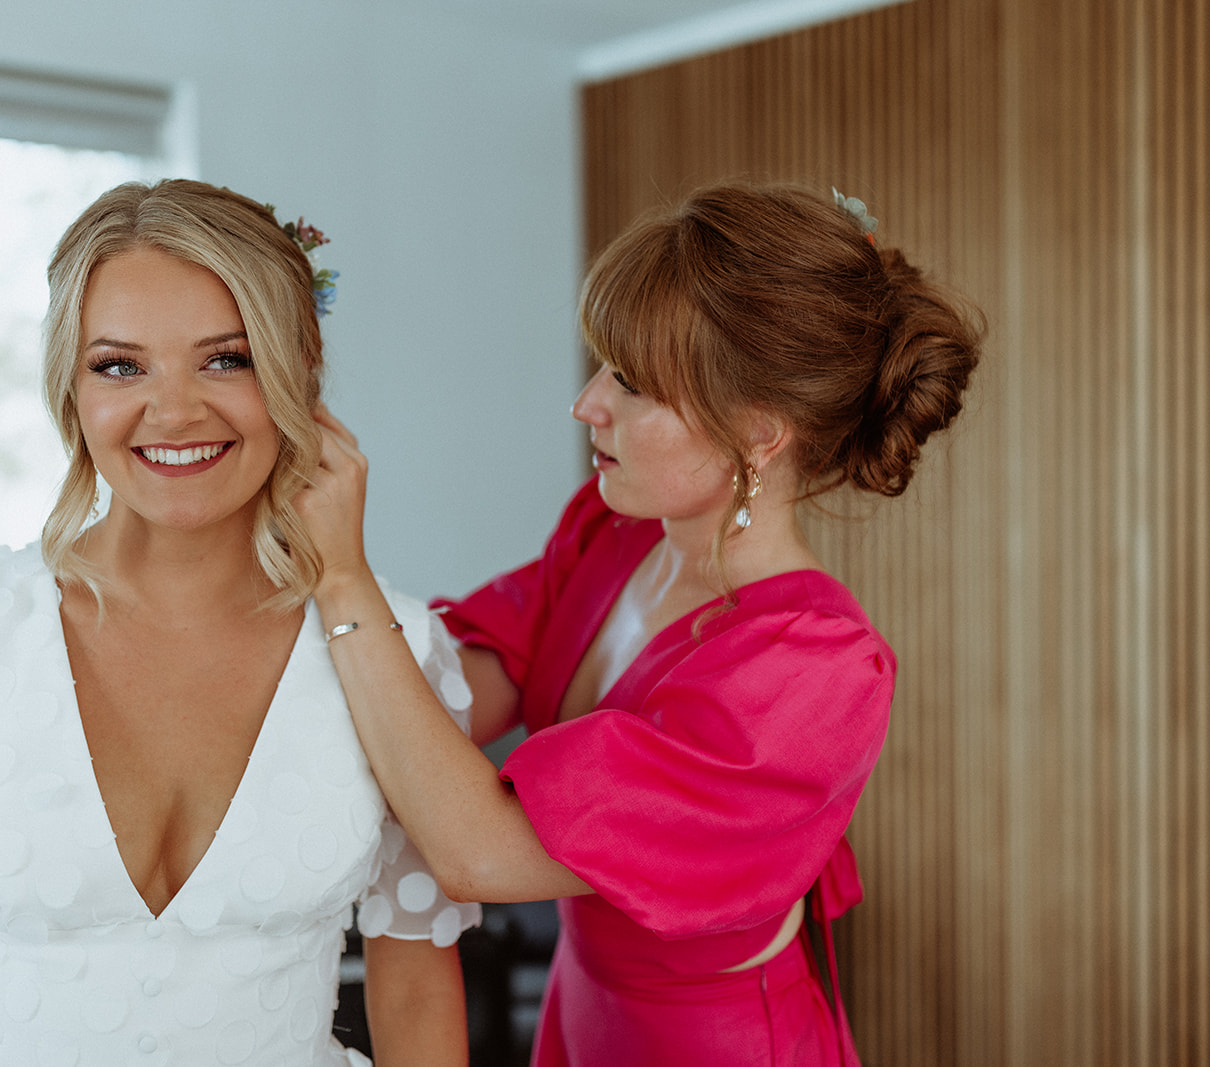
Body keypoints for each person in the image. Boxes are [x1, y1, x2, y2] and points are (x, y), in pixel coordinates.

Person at [0, 179, 479, 1067]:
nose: (176, 409)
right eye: (120, 364)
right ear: (71, 390)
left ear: (300, 371)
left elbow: (417, 994)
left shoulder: (402, 651)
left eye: (227, 358)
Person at [297, 181, 983, 1065]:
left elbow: (480, 852)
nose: (588, 403)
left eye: (631, 382)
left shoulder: (812, 676)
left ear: (758, 432)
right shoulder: (615, 531)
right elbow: (459, 685)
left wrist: (342, 578)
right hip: (583, 1011)